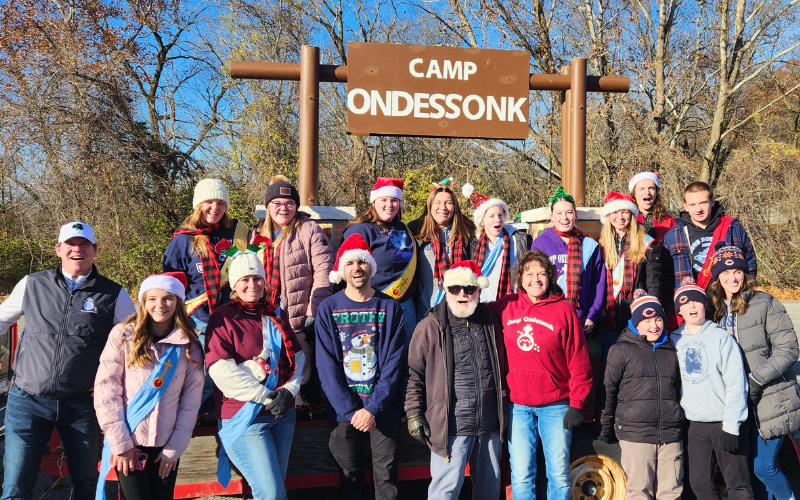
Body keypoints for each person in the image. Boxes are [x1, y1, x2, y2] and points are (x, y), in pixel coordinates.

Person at [0, 221, 136, 500]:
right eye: (71, 244)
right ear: (58, 249)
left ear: (94, 251)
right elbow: (1, 321)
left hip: (82, 403)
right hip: (27, 400)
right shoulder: (32, 284)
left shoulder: (114, 294)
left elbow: (133, 347)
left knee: (85, 481)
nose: (78, 249)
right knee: (15, 485)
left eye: (85, 244)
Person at [490, 250, 593, 500]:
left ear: (550, 277)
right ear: (520, 278)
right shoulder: (506, 305)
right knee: (522, 474)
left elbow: (579, 360)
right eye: (529, 273)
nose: (535, 279)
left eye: (541, 274)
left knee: (558, 473)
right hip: (518, 405)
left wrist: (577, 404)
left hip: (556, 405)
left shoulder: (564, 310)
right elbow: (472, 309)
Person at [94, 273, 204, 500]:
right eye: (152, 298)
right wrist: (121, 444)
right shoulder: (123, 335)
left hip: (166, 446)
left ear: (179, 302)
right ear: (143, 301)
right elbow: (107, 390)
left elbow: (190, 403)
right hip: (129, 442)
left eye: (168, 298)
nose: (159, 305)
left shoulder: (189, 343)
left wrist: (173, 450)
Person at [205, 251, 304, 500]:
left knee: (274, 491)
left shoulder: (275, 315)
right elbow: (221, 371)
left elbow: (298, 359)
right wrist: (268, 397)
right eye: (245, 280)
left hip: (282, 414)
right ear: (234, 285)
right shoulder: (222, 318)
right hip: (244, 417)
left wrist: (290, 391)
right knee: (270, 493)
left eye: (257, 278)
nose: (253, 285)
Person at [315, 234, 406, 500]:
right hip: (345, 412)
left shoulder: (390, 307)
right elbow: (326, 365)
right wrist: (351, 410)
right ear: (342, 270)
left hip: (383, 408)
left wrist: (372, 408)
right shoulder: (329, 308)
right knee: (349, 478)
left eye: (362, 262)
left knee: (387, 479)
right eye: (351, 263)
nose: (357, 268)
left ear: (371, 267)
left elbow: (393, 362)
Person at [706, 243, 800, 500]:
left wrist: (756, 379)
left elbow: (789, 349)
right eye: (725, 273)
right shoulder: (715, 311)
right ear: (717, 277)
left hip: (772, 398)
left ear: (745, 273)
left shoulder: (765, 303)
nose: (732, 277)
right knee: (749, 470)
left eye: (737, 271)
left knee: (763, 467)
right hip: (737, 403)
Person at [406, 260, 506, 500]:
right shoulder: (430, 326)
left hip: (489, 426)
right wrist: (413, 413)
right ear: (446, 289)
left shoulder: (492, 321)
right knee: (444, 493)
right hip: (451, 427)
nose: (462, 294)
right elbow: (414, 375)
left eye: (469, 288)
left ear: (478, 290)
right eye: (455, 288)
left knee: (489, 493)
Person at [163, 178, 248, 415]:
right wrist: (179, 324)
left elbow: (248, 269)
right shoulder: (183, 240)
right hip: (197, 322)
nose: (215, 208)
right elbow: (170, 287)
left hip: (233, 319)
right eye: (209, 201)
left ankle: (223, 420)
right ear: (198, 204)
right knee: (201, 380)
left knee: (232, 376)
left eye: (221, 202)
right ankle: (190, 427)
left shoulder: (237, 233)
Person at [251, 175, 334, 404]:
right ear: (268, 206)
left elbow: (324, 272)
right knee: (267, 373)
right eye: (277, 203)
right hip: (266, 319)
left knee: (303, 378)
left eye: (289, 203)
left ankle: (306, 429)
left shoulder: (309, 229)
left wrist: (312, 312)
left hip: (298, 318)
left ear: (296, 206)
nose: (283, 208)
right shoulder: (257, 235)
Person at [670, 279, 752, 500]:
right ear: (679, 310)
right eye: (685, 304)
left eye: (697, 302)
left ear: (705, 305)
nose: (692, 307)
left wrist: (732, 426)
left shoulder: (722, 338)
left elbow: (737, 384)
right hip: (694, 427)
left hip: (724, 424)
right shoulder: (673, 341)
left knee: (738, 485)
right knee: (699, 484)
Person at [597, 291, 684, 500]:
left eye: (658, 319)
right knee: (638, 492)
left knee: (672, 493)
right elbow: (609, 391)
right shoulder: (620, 350)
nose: (653, 325)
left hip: (670, 435)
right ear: (635, 323)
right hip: (636, 435)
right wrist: (605, 429)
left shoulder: (673, 350)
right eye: (646, 320)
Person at [342, 177, 418, 344]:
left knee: (408, 352)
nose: (389, 205)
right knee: (373, 350)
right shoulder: (360, 230)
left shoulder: (404, 228)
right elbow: (349, 270)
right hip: (374, 303)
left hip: (405, 303)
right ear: (374, 201)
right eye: (384, 200)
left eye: (394, 200)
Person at [530, 186, 605, 334]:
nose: (564, 218)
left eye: (569, 212)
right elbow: (533, 283)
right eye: (559, 213)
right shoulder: (539, 244)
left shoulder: (589, 245)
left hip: (580, 319)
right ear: (552, 216)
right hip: (548, 318)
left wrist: (592, 315)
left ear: (575, 215)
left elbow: (598, 284)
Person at [597, 191, 661, 352]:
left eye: (624, 212)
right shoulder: (601, 245)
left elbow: (654, 281)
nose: (620, 217)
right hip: (608, 318)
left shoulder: (645, 242)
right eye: (615, 212)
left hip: (636, 316)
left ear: (631, 214)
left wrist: (652, 313)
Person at [663, 181, 756, 290]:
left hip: (728, 299)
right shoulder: (673, 236)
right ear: (685, 206)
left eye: (703, 203)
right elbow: (666, 276)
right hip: (692, 302)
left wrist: (745, 293)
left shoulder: (733, 228)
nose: (698, 209)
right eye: (692, 204)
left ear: (712, 202)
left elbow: (750, 264)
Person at [412, 177, 476, 313]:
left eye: (448, 203)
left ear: (455, 207)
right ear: (430, 206)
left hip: (458, 312)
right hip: (426, 311)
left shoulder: (468, 234)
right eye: (438, 203)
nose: (443, 208)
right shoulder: (416, 233)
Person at [462, 183, 530, 303]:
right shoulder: (473, 244)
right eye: (491, 216)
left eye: (500, 215)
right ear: (482, 222)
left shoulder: (517, 239)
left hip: (512, 302)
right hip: (483, 304)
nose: (497, 219)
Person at [628, 172, 676, 250]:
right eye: (642, 189)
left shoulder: (670, 221)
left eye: (651, 188)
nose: (647, 192)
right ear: (634, 193)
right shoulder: (627, 220)